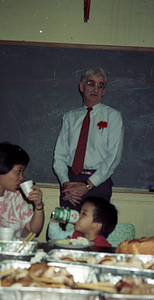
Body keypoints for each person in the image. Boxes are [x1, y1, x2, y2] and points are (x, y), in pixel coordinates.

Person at [53, 67, 124, 211]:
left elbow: (113, 157)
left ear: (103, 91)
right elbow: (59, 154)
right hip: (70, 184)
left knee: (93, 231)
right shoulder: (70, 117)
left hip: (98, 183)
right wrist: (65, 183)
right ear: (81, 86)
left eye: (100, 85)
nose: (95, 89)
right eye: (91, 83)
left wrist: (88, 185)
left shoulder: (113, 117)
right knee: (66, 231)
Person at [48, 197, 118, 247]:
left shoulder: (102, 246)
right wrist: (55, 220)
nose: (78, 216)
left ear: (97, 224)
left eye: (84, 214)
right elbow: (54, 236)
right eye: (79, 212)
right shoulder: (76, 235)